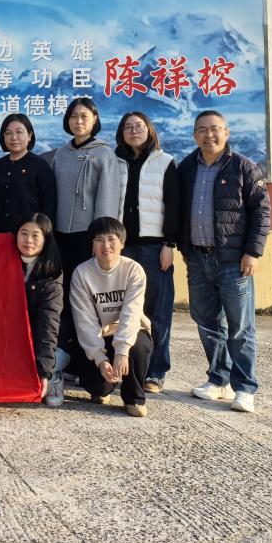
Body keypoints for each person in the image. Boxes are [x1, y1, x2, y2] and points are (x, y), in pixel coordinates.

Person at [177, 110, 270, 414]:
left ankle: (245, 388)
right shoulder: (186, 167)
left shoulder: (243, 167)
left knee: (240, 327)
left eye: (215, 129)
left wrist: (253, 252)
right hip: (197, 259)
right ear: (195, 135)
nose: (209, 135)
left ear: (226, 132)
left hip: (234, 261)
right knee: (207, 323)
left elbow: (261, 213)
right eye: (202, 130)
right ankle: (219, 379)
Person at [46, 97, 123, 354]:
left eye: (84, 116)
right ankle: (63, 349)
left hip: (87, 236)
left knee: (86, 295)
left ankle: (88, 355)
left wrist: (100, 240)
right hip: (60, 235)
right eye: (73, 116)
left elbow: (107, 200)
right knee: (62, 292)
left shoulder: (104, 154)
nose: (78, 121)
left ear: (94, 120)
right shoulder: (61, 153)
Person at [114, 111, 180, 394]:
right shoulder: (114, 161)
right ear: (121, 133)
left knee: (158, 311)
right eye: (127, 127)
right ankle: (126, 367)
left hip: (155, 247)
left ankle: (156, 371)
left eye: (138, 126)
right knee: (123, 310)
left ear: (149, 129)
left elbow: (174, 206)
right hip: (122, 247)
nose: (133, 131)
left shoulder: (165, 162)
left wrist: (169, 244)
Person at [69, 216, 153, 417]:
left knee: (139, 345)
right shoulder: (82, 273)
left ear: (122, 243)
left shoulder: (133, 270)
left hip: (128, 332)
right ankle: (102, 388)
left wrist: (122, 351)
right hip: (99, 335)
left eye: (111, 239)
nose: (105, 245)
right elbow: (85, 321)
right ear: (92, 245)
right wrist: (100, 359)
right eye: (99, 240)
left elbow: (131, 313)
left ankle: (133, 398)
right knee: (98, 387)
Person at [16, 214, 65, 408]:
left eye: (35, 235)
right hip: (18, 339)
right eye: (23, 233)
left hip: (51, 342)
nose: (28, 240)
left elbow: (47, 327)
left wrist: (44, 373)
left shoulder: (52, 277)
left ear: (46, 239)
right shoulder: (4, 263)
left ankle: (55, 373)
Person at [0, 113, 57, 233]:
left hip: (29, 237)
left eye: (19, 132)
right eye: (8, 133)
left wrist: (45, 236)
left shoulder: (40, 166)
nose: (14, 137)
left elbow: (49, 207)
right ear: (3, 137)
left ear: (29, 135)